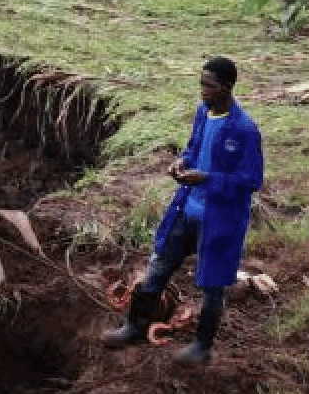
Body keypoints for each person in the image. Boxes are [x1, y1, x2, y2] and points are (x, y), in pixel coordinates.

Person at [102, 56, 264, 363]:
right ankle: (135, 326)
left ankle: (202, 347)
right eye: (202, 83)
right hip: (187, 208)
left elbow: (251, 180)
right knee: (158, 267)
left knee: (214, 284)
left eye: (210, 86)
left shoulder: (244, 130)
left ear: (228, 87)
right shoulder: (203, 113)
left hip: (219, 219)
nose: (203, 91)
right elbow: (193, 147)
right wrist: (182, 162)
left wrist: (208, 178)